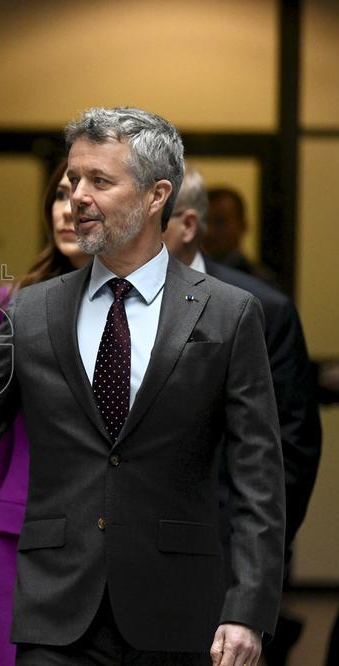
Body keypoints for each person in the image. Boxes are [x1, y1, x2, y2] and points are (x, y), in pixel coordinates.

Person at [0, 107, 284, 665]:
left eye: (99, 181)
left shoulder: (227, 314)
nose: (78, 195)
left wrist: (247, 609)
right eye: (73, 180)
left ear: (157, 196)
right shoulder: (32, 309)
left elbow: (259, 480)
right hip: (55, 605)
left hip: (176, 606)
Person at [163, 163, 322, 664]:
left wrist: (256, 555)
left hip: (230, 548)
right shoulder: (110, 302)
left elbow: (290, 445)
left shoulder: (261, 307)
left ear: (187, 225)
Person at [0, 160, 89, 666]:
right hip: (16, 534)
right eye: (58, 195)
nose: (68, 209)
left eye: (85, 192)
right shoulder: (16, 303)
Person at [202, 186, 277, 284]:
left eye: (219, 222)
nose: (208, 231)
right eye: (203, 221)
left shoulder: (257, 281)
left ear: (242, 226)